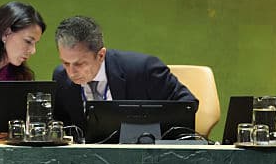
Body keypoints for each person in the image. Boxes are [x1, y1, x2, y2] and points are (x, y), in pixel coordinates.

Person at [51, 15, 195, 133]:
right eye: (65, 63)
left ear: (101, 55)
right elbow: (63, 124)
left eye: (79, 64)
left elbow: (187, 104)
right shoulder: (61, 77)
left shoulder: (143, 70)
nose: (71, 72)